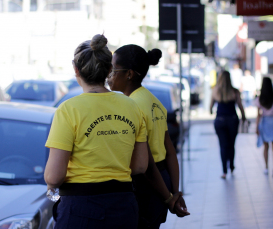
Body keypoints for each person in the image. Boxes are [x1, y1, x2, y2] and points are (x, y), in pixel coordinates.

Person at [43, 35, 181, 229]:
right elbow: (141, 166)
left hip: (80, 208)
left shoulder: (68, 110)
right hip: (123, 207)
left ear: (76, 70)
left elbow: (54, 176)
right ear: (109, 69)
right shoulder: (132, 107)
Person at [107, 44, 189, 229]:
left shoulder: (130, 107)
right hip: (162, 181)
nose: (108, 75)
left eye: (113, 70)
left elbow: (146, 164)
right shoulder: (155, 102)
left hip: (147, 186)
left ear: (129, 74)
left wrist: (169, 198)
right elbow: (170, 152)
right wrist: (175, 192)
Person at [210, 71, 246, 179]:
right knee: (231, 144)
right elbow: (240, 105)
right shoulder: (234, 91)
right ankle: (231, 165)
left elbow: (210, 107)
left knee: (223, 145)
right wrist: (244, 117)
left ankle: (224, 171)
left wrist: (212, 111)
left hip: (220, 120)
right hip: (232, 120)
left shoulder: (215, 91)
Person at [255, 77, 273, 177]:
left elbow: (258, 114)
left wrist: (256, 127)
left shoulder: (260, 98)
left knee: (266, 146)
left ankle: (266, 167)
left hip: (265, 121)